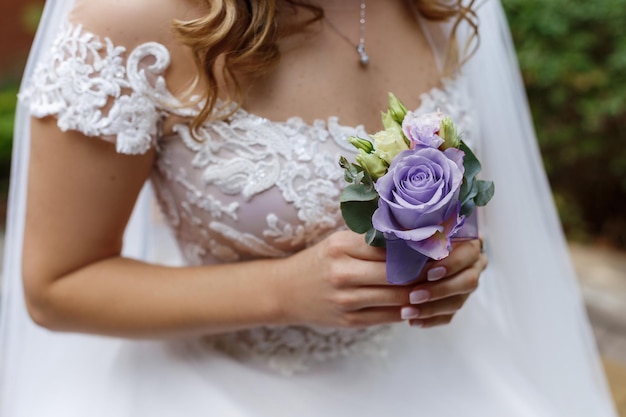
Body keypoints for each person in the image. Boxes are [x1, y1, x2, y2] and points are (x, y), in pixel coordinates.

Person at [0, 0, 617, 415]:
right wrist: (283, 289)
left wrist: (458, 262)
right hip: (224, 386)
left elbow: (491, 202)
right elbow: (55, 285)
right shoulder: (131, 23)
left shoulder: (445, 7)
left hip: (436, 376)